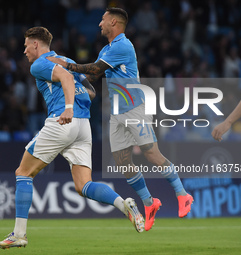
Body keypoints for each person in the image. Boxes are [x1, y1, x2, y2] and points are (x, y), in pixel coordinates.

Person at [0, 27, 145, 249]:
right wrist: (74, 100)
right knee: (83, 185)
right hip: (83, 126)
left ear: (36, 44)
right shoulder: (65, 59)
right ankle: (124, 205)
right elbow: (91, 92)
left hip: (62, 120)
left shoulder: (40, 64)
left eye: (26, 45)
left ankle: (19, 234)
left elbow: (64, 76)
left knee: (23, 172)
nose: (24, 50)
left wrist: (67, 107)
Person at [47, 7, 194, 231]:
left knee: (151, 153)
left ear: (114, 22)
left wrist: (64, 64)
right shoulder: (107, 49)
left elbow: (95, 68)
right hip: (117, 114)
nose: (99, 24)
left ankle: (183, 195)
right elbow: (93, 74)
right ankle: (149, 203)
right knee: (123, 163)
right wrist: (68, 80)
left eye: (103, 20)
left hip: (135, 108)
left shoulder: (123, 45)